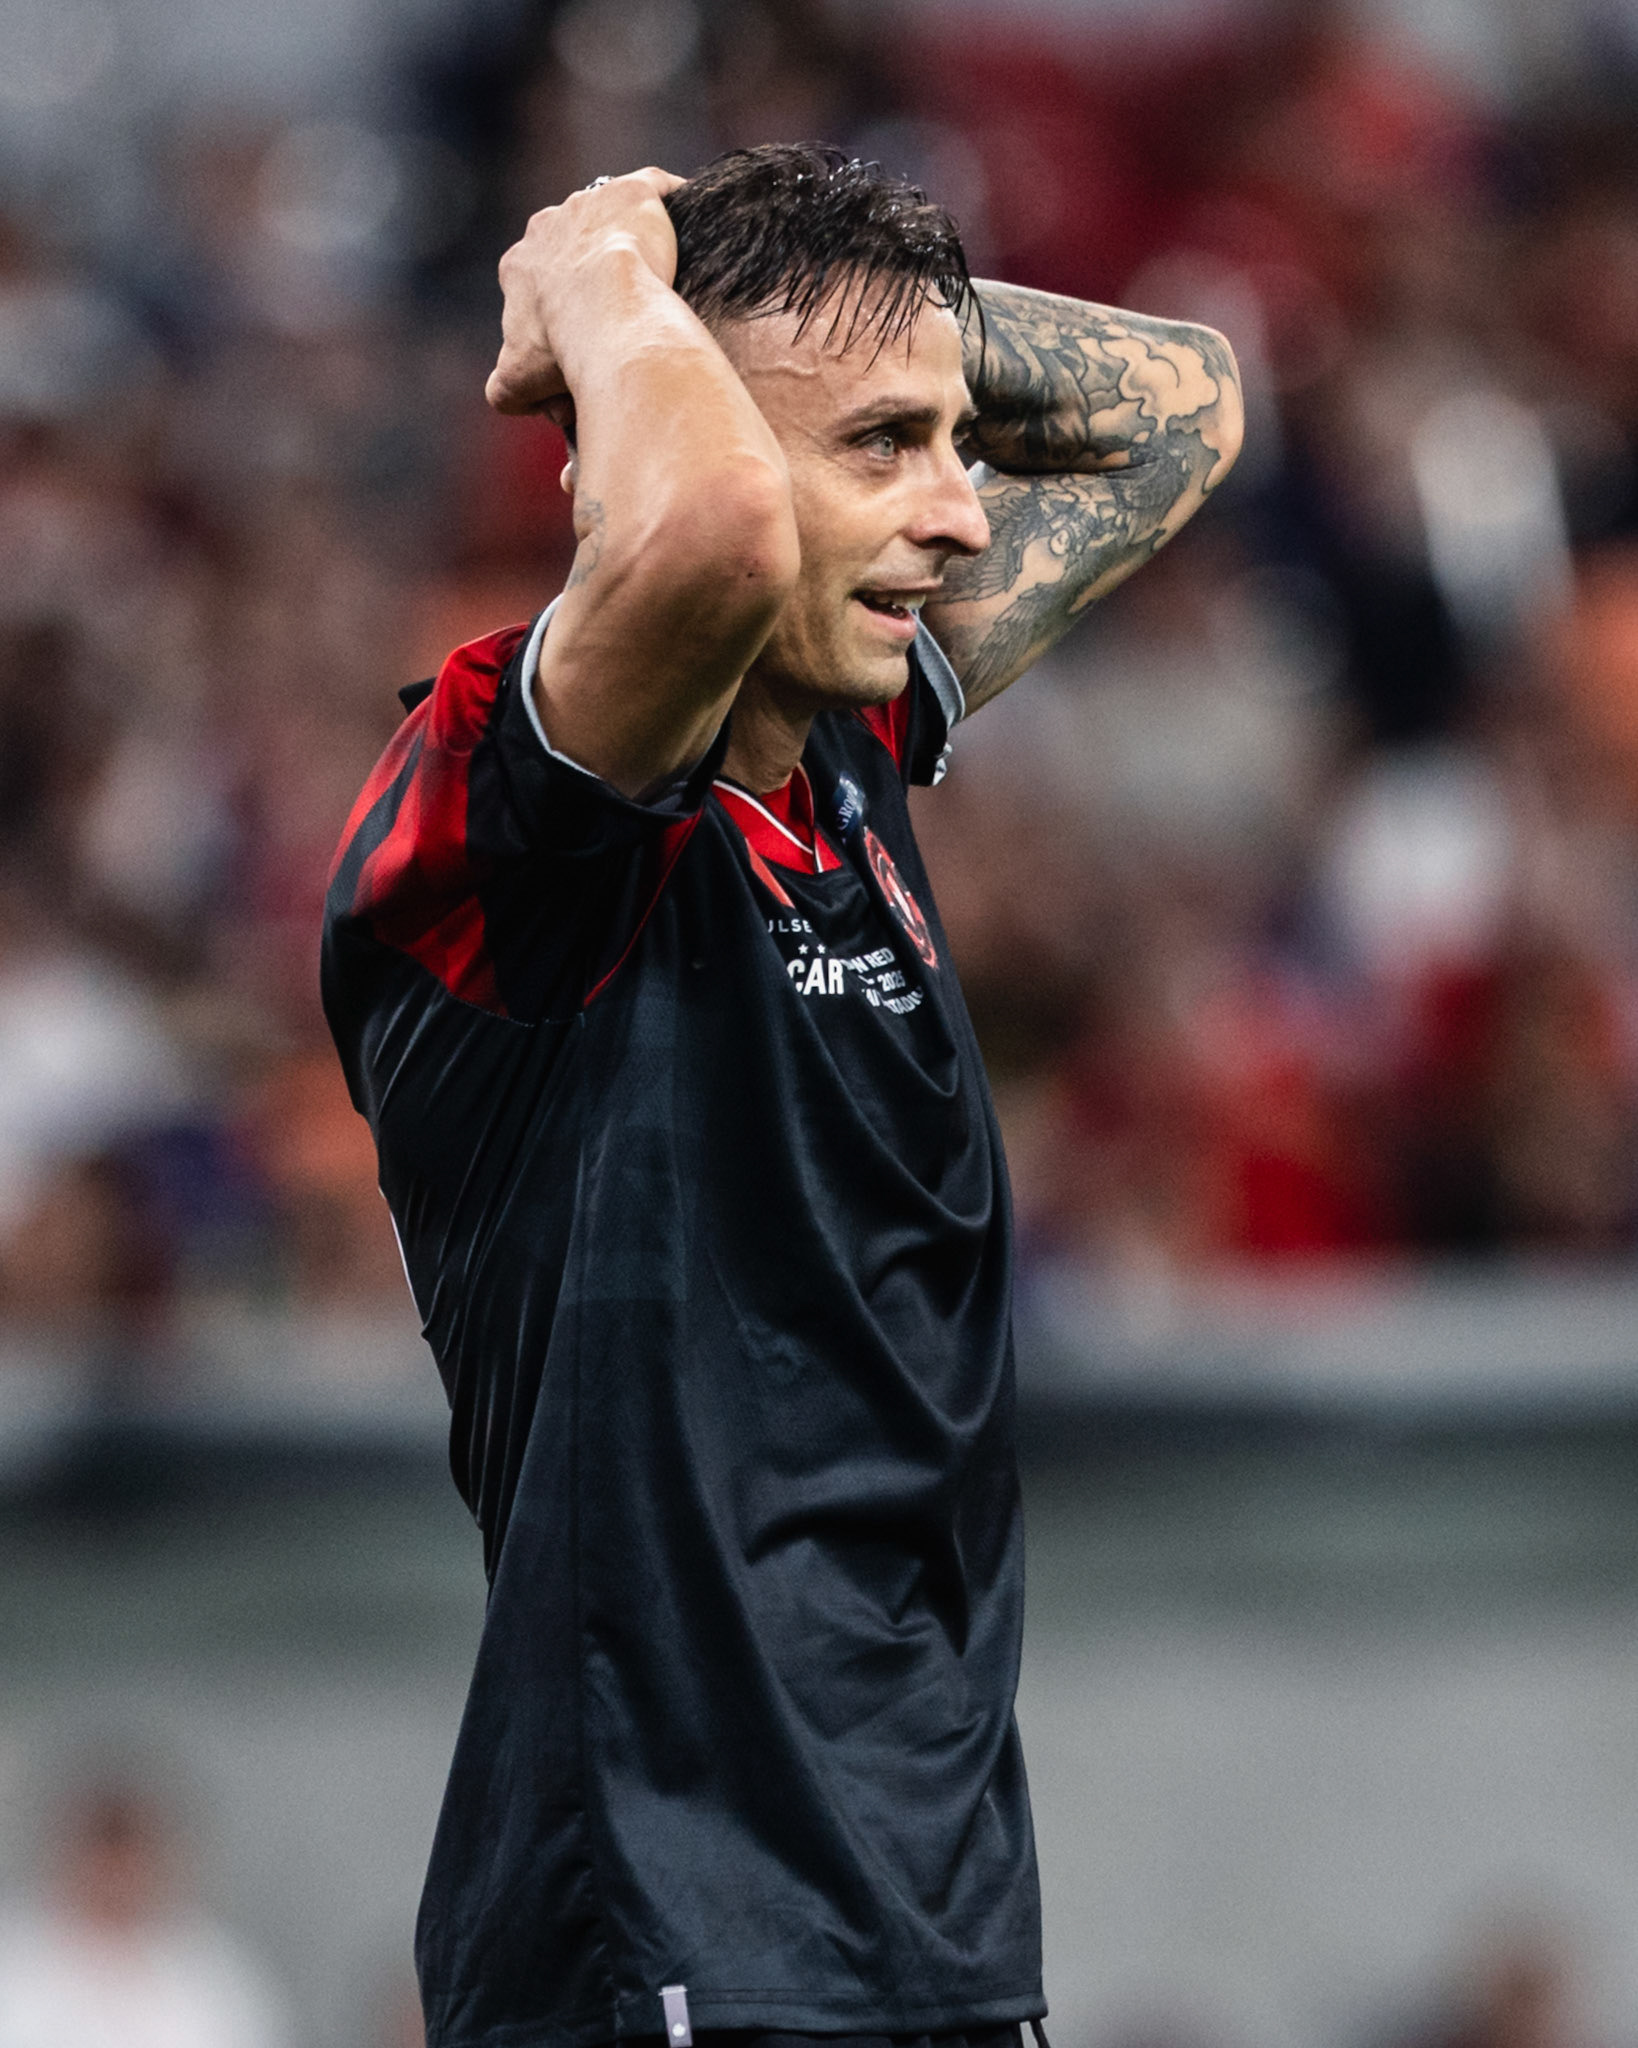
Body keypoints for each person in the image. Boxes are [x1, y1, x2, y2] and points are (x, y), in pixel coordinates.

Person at [323, 145, 1241, 2048]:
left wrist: (842, 319)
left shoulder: (849, 758)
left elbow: (1188, 410)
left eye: (948, 441)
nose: (961, 516)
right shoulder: (511, 813)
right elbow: (709, 536)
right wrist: (594, 281)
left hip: (929, 1915)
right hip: (662, 1912)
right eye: (882, 449)